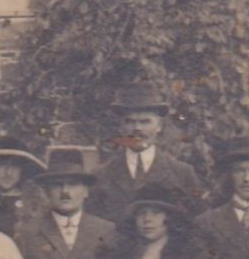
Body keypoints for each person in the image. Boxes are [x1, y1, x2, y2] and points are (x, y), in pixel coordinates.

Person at [88, 83, 206, 224]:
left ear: (159, 127)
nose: (137, 128)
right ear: (121, 127)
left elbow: (196, 224)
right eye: (130, 122)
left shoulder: (182, 173)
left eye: (145, 122)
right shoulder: (100, 175)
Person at [0, 134, 47, 237]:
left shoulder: (35, 204)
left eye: (15, 165)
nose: (8, 173)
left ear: (22, 169)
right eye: (2, 165)